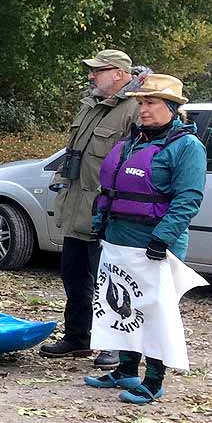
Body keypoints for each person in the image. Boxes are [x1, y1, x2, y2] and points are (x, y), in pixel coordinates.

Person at [84, 74, 205, 404]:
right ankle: (125, 369)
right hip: (118, 239)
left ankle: (154, 380)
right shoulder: (132, 141)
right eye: (140, 103)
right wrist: (99, 225)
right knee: (121, 304)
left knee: (154, 311)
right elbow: (107, 190)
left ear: (171, 107)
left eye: (150, 103)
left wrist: (162, 238)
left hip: (155, 245)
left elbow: (188, 199)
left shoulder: (187, 148)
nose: (143, 110)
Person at [41, 49, 144, 368]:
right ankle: (78, 337)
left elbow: (137, 164)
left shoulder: (135, 110)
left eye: (97, 71)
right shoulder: (90, 106)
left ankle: (115, 344)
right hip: (77, 209)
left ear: (119, 73)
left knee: (113, 281)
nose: (91, 76)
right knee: (73, 277)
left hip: (107, 213)